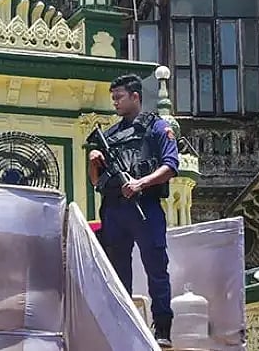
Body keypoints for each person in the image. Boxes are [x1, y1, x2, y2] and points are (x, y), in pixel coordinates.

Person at [88, 74, 179, 348]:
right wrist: (94, 161)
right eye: (113, 97)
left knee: (156, 268)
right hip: (115, 210)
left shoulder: (156, 127)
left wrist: (141, 182)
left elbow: (171, 165)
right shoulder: (110, 136)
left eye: (119, 97)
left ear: (135, 96)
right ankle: (123, 326)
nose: (115, 102)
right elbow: (96, 183)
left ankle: (162, 328)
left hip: (146, 207)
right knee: (117, 272)